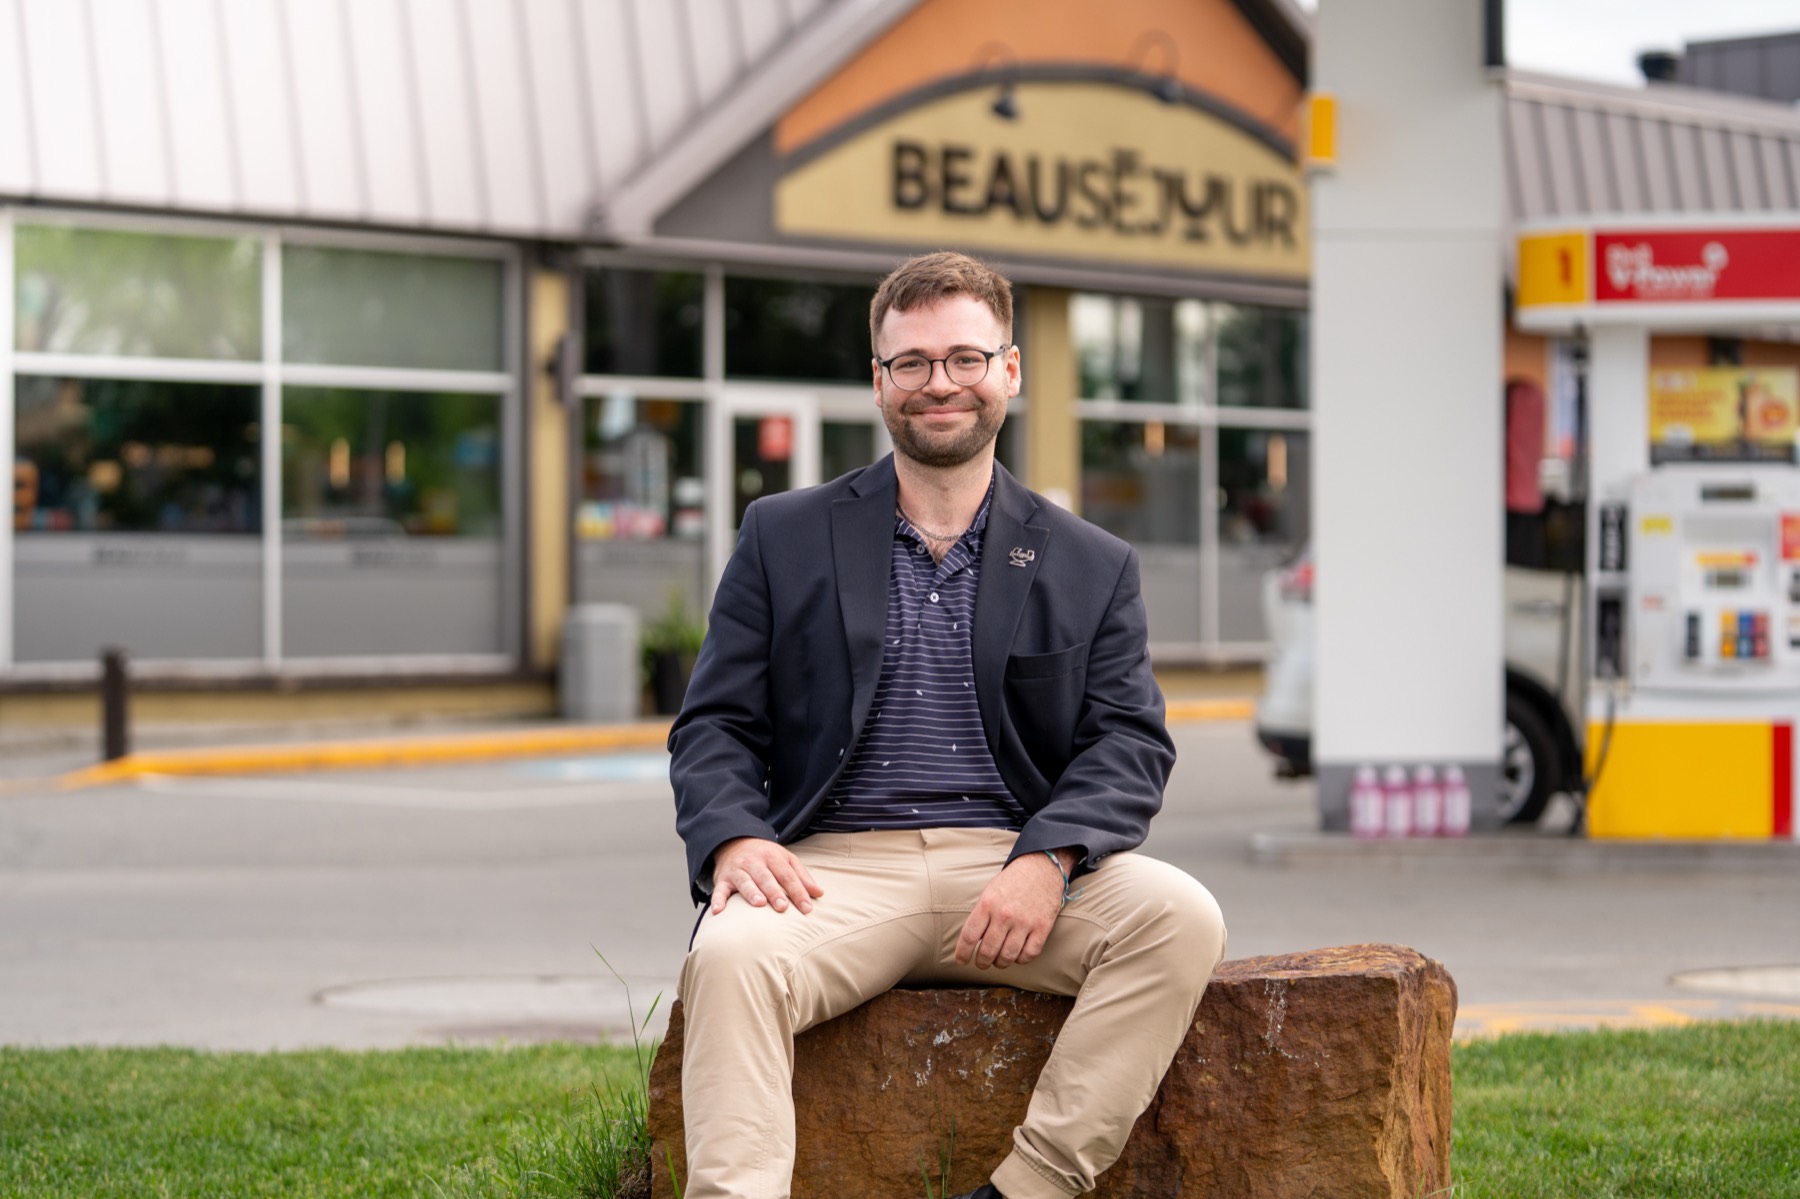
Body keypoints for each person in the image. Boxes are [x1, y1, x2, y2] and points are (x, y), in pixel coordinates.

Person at [668, 251, 1226, 1199]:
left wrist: (1046, 861)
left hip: (1010, 859)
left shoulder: (1092, 562)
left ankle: (1028, 1188)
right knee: (728, 956)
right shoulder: (783, 534)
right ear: (879, 380)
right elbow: (714, 720)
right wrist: (733, 837)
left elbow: (1129, 742)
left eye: (965, 359)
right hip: (833, 871)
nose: (941, 384)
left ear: (1009, 370)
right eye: (913, 362)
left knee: (1180, 916)